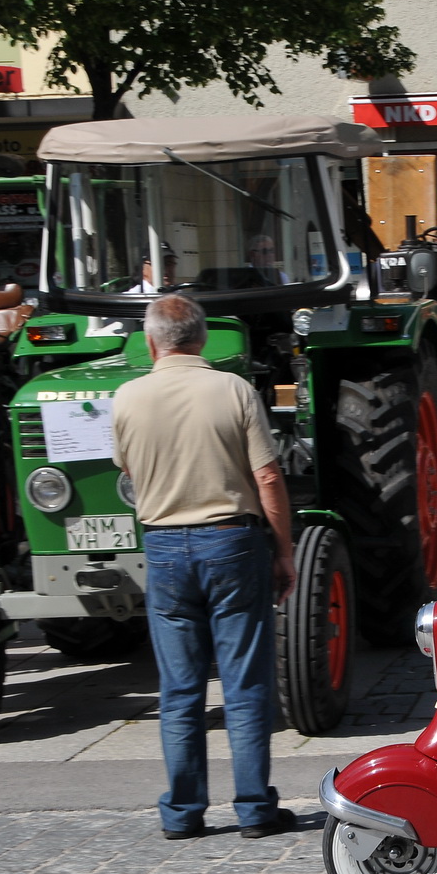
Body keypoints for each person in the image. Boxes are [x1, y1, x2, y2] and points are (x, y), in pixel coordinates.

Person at [112, 294, 298, 841]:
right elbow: (267, 478)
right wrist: (284, 550)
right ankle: (254, 809)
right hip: (231, 542)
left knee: (180, 689)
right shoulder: (233, 390)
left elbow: (126, 467)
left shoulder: (126, 397)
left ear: (151, 342)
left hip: (165, 547)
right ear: (201, 339)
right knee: (244, 683)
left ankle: (183, 811)